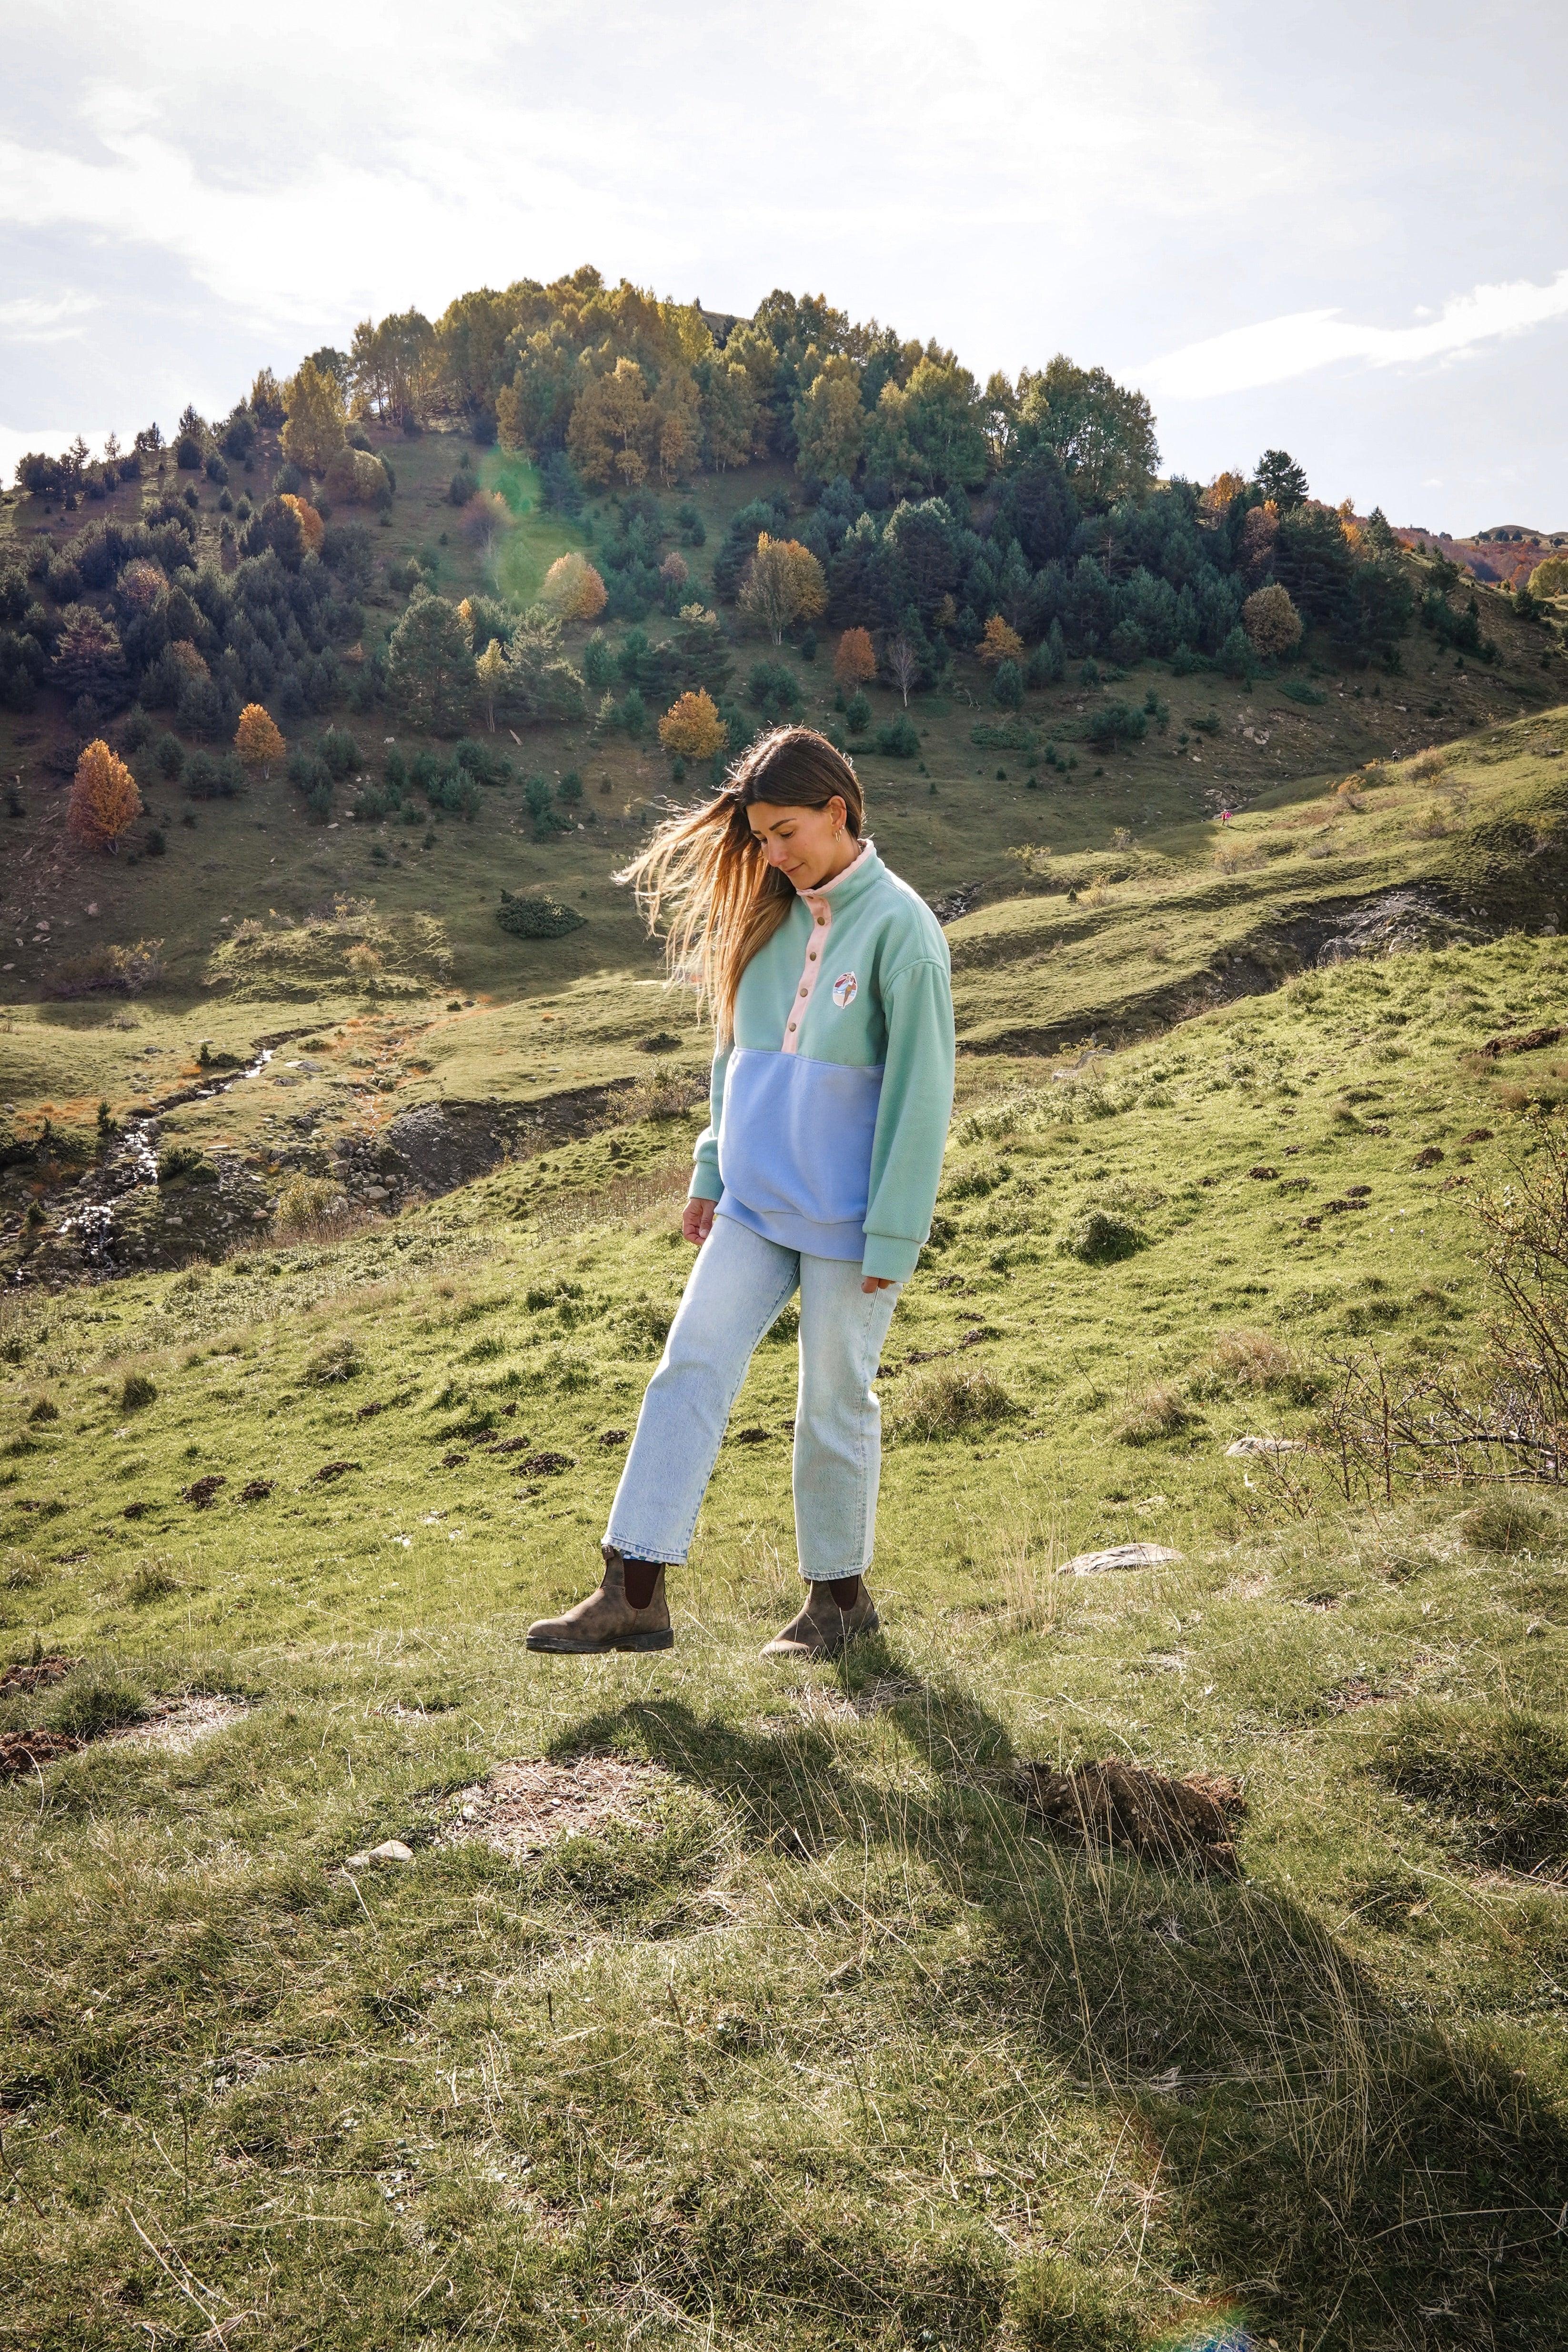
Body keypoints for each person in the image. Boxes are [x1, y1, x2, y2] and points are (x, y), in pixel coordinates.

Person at [526, 725, 955, 1662]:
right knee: (688, 1368)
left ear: (838, 812)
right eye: (759, 837)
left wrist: (893, 1239)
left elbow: (922, 1097)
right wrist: (710, 1172)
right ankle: (633, 1593)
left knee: (831, 1406)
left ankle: (838, 1607)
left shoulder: (902, 933)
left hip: (848, 1225)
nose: (772, 854)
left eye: (786, 832)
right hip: (755, 1209)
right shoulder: (767, 920)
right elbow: (729, 1058)